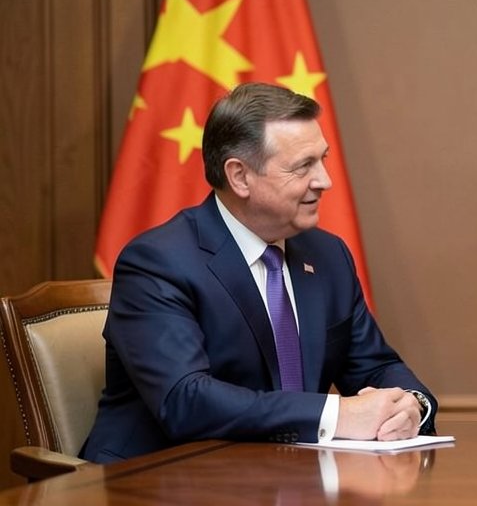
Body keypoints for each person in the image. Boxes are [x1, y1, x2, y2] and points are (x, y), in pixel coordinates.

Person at [81, 82, 436, 463]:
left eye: (323, 159)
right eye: (303, 166)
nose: (324, 180)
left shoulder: (328, 254)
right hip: (155, 480)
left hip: (287, 480)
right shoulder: (158, 262)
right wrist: (336, 414)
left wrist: (411, 405)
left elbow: (376, 365)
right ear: (239, 176)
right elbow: (185, 400)